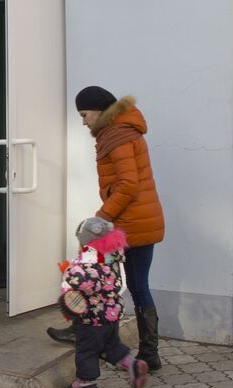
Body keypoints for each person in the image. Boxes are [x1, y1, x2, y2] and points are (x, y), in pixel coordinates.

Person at [47, 86, 165, 372]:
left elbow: (127, 185)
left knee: (91, 274)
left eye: (84, 114)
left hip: (129, 225)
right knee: (127, 284)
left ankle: (92, 335)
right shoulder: (121, 130)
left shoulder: (118, 135)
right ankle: (149, 353)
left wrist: (99, 219)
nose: (83, 121)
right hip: (136, 222)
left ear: (99, 111)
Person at [62, 217, 148, 388]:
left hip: (93, 316)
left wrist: (70, 275)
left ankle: (85, 383)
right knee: (111, 346)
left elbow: (87, 283)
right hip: (111, 314)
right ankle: (132, 365)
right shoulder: (112, 257)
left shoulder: (90, 260)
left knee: (87, 349)